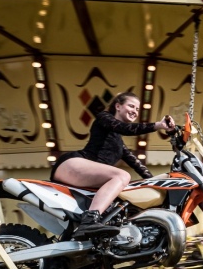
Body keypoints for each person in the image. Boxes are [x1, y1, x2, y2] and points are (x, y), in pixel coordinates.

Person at [50, 91, 175, 241]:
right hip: (72, 163)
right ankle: (89, 220)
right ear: (118, 106)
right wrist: (158, 125)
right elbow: (125, 128)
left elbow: (138, 166)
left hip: (80, 171)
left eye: (137, 109)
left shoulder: (119, 144)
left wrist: (160, 185)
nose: (134, 111)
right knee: (122, 176)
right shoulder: (104, 118)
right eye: (131, 106)